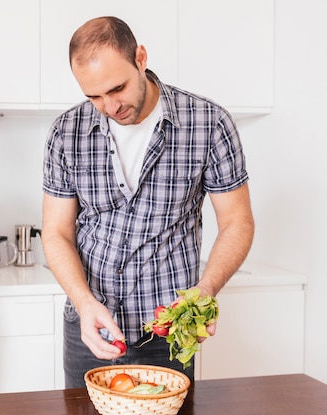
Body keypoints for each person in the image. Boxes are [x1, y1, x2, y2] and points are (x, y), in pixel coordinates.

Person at [41, 16, 255, 388]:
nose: (109, 106)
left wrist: (205, 292)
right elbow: (56, 232)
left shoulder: (208, 123)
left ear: (140, 57)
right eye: (93, 96)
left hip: (169, 331)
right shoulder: (65, 132)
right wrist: (83, 302)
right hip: (90, 327)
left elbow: (237, 221)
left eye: (117, 88)